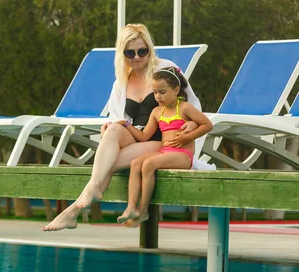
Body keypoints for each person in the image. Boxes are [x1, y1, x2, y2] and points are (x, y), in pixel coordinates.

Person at [42, 23, 201, 232]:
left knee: (111, 161)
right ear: (122, 53)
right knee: (113, 130)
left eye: (142, 51)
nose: (137, 57)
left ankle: (76, 207)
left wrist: (191, 122)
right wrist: (109, 126)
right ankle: (89, 193)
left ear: (149, 50)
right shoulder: (122, 81)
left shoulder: (166, 69)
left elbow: (192, 104)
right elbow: (118, 117)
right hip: (138, 136)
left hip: (163, 142)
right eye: (130, 52)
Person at [116, 67, 213, 227]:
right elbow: (143, 136)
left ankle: (144, 210)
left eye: (162, 92)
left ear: (176, 90)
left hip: (182, 155)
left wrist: (186, 138)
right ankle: (131, 207)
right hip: (165, 152)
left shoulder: (184, 108)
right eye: (154, 92)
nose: (157, 96)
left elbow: (207, 125)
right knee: (135, 163)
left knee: (149, 164)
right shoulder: (156, 112)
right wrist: (126, 124)